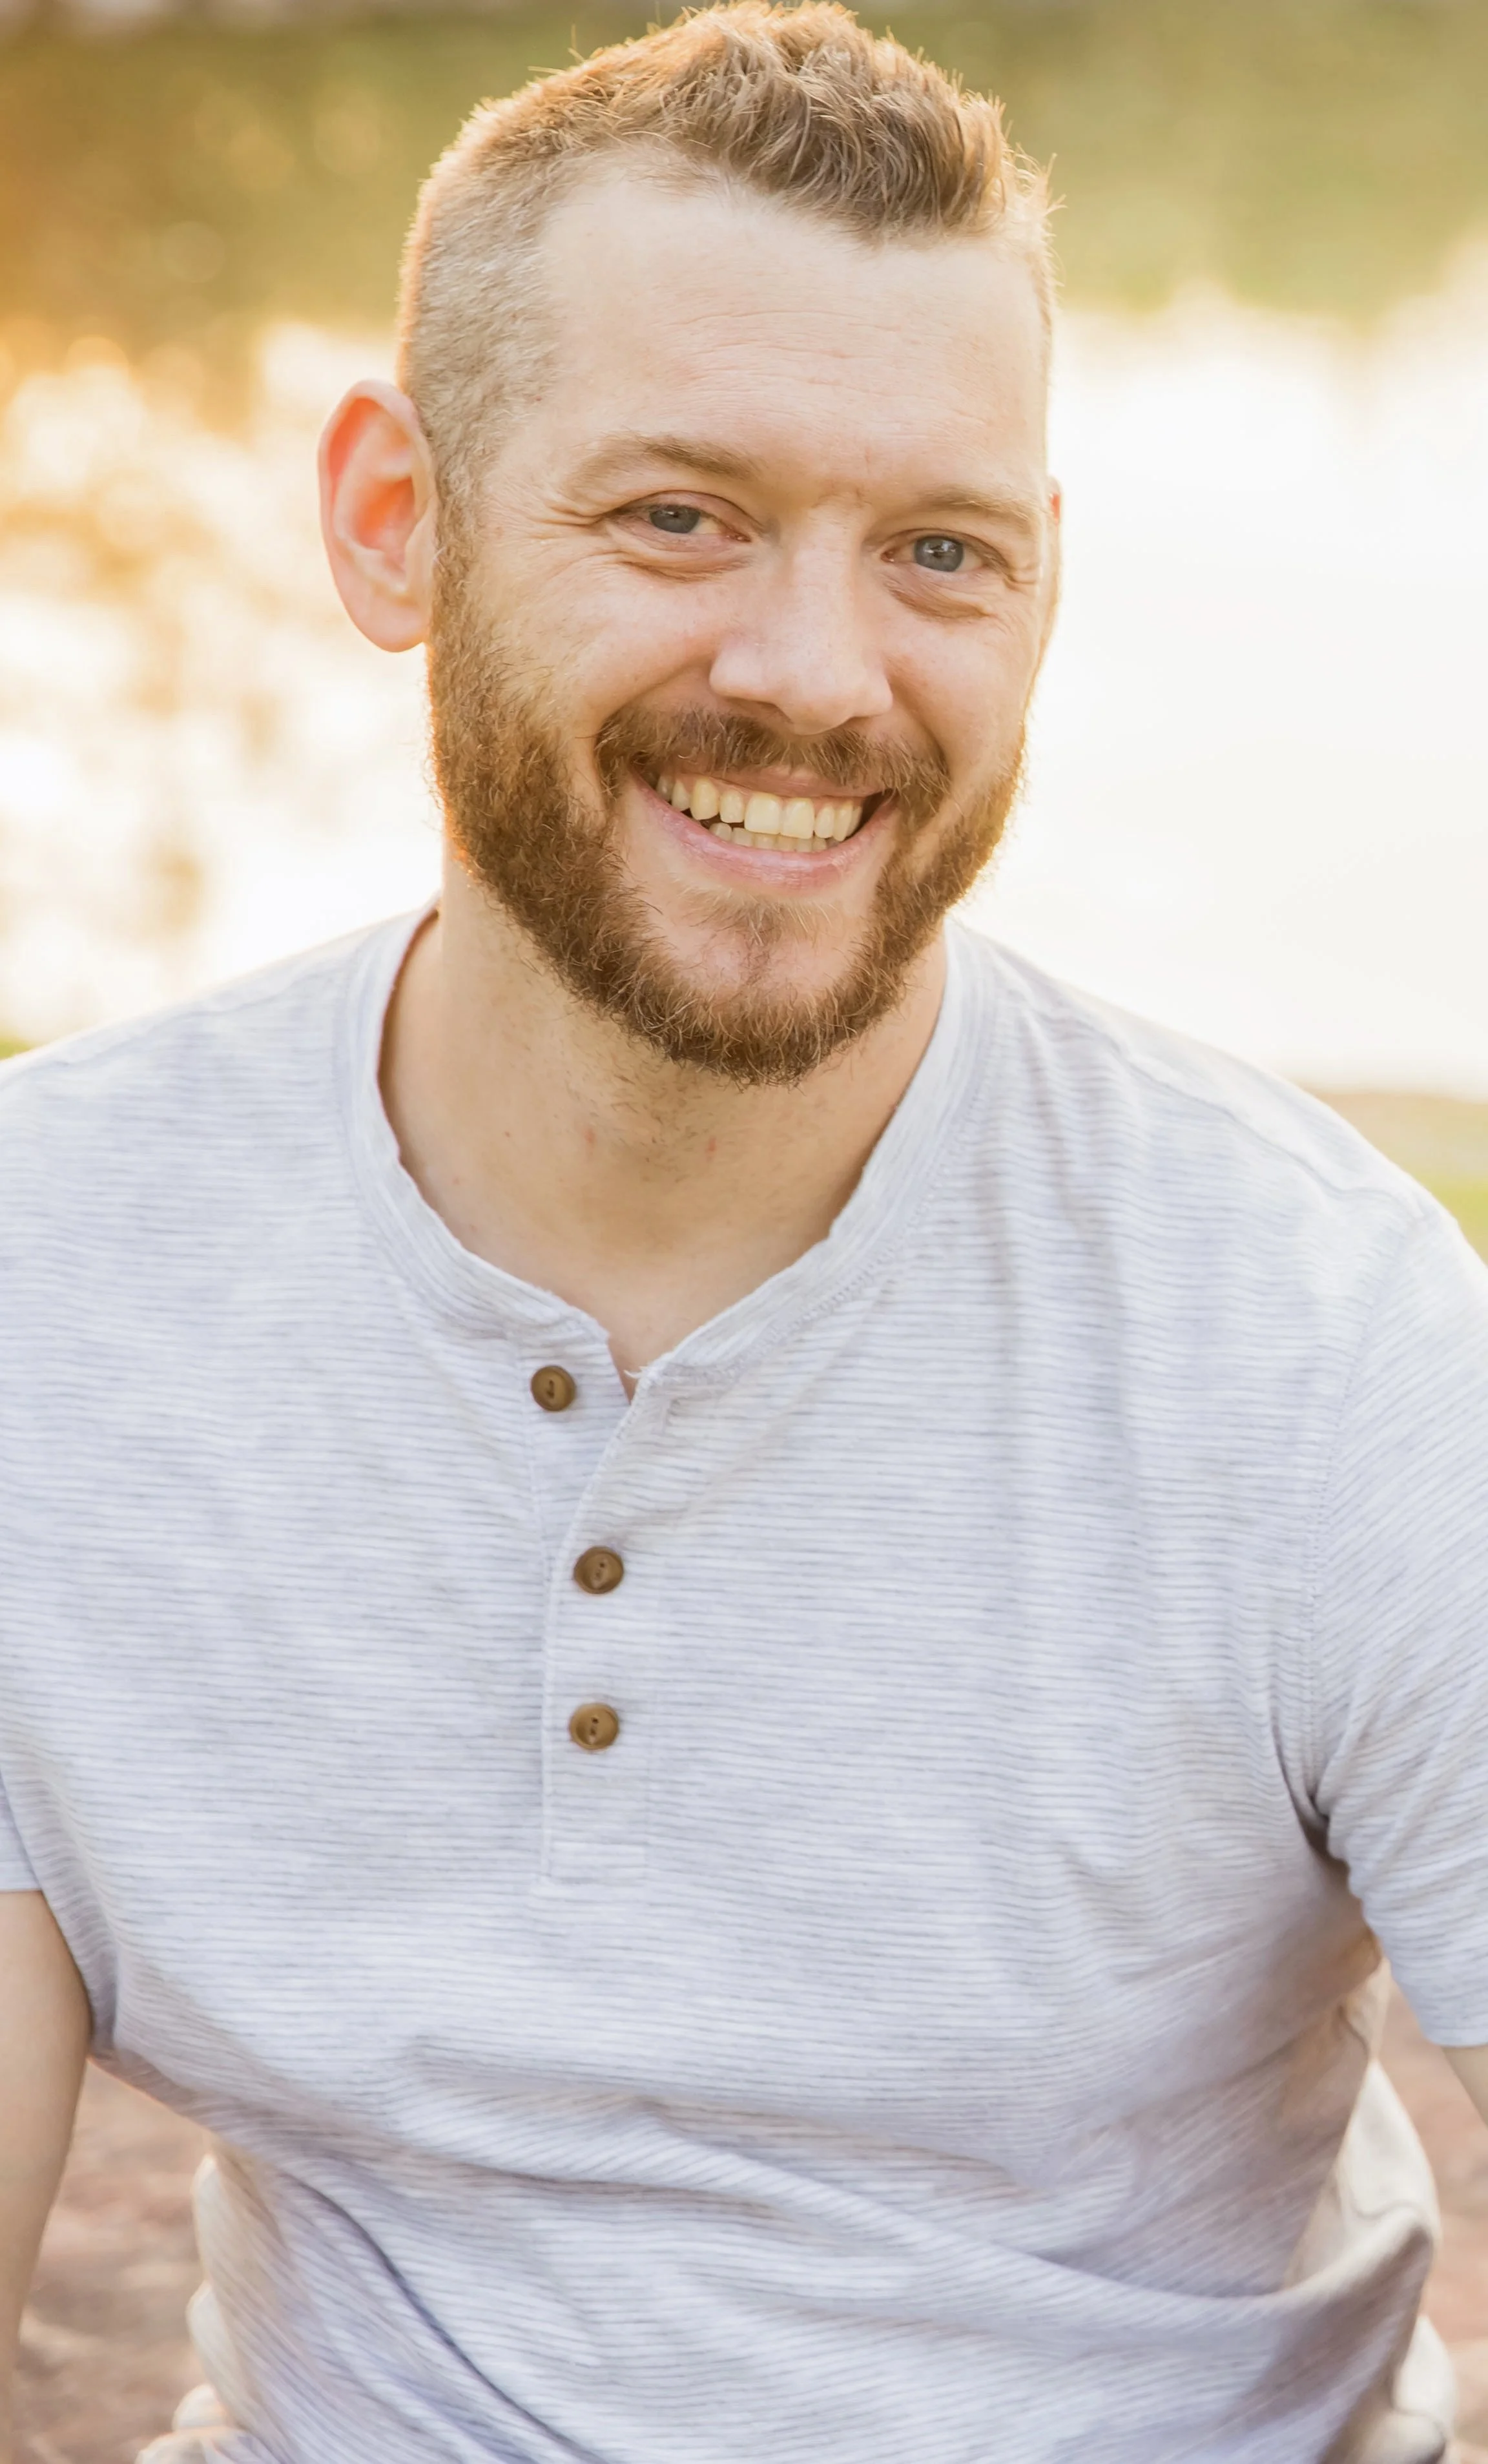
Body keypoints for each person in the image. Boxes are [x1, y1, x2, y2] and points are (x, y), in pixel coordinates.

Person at [2, 6, 1487, 2459]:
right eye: (679, 516)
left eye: (938, 552)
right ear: (397, 518)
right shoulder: (55, 1281)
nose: (818, 677)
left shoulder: (1314, 1337)